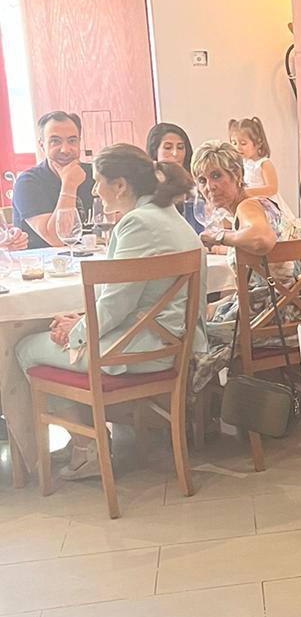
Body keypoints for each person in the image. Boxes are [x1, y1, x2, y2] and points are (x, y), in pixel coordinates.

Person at [15, 144, 204, 480]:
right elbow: (125, 302)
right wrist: (83, 322)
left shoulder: (136, 224)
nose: (93, 189)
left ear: (121, 185)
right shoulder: (169, 215)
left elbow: (116, 305)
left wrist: (75, 332)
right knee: (71, 328)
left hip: (138, 350)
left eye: (99, 181)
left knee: (25, 347)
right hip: (172, 343)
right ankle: (95, 439)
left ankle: (86, 448)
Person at [191, 140, 301, 341]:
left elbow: (261, 239)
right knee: (199, 312)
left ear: (238, 176)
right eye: (202, 180)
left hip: (274, 317)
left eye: (216, 175)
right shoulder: (260, 204)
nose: (210, 187)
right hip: (287, 306)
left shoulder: (248, 207)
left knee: (189, 333)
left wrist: (218, 237)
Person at [12, 111, 95, 249]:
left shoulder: (95, 174)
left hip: (93, 261)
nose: (65, 149)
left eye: (72, 141)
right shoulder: (27, 182)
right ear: (42, 145)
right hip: (42, 267)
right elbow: (58, 239)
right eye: (55, 141)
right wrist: (69, 184)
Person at [146, 122, 202, 233]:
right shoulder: (145, 185)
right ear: (155, 151)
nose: (175, 153)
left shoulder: (196, 184)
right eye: (168, 147)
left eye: (180, 148)